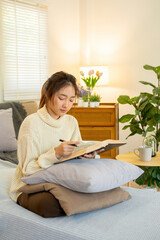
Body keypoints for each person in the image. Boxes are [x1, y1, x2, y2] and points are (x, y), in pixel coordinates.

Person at [9, 71, 85, 217]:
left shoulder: (71, 122)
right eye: (62, 98)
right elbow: (27, 170)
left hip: (61, 180)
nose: (66, 105)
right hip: (30, 185)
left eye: (71, 100)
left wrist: (84, 155)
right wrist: (55, 154)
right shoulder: (31, 123)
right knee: (51, 205)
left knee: (95, 189)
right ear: (48, 95)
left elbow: (74, 156)